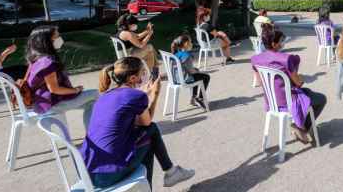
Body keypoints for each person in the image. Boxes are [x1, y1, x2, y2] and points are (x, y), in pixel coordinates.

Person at [84, 57, 194, 189]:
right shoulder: (136, 96)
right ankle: (168, 174)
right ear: (132, 78)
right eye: (142, 72)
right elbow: (146, 123)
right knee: (150, 133)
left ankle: (169, 174)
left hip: (89, 174)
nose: (144, 75)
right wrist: (155, 94)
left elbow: (126, 115)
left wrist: (144, 94)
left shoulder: (104, 97)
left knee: (143, 138)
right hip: (108, 175)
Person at [251, 28, 327, 143]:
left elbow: (260, 82)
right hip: (289, 100)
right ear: (274, 44)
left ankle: (300, 126)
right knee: (321, 98)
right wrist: (297, 75)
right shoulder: (285, 59)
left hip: (271, 101)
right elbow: (299, 83)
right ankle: (302, 127)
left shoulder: (255, 59)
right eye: (281, 40)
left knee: (308, 92)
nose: (283, 43)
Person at [26, 26, 98, 127]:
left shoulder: (35, 59)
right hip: (51, 104)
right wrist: (75, 90)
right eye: (57, 36)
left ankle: (91, 134)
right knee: (95, 94)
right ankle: (93, 135)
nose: (60, 39)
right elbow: (54, 89)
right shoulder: (48, 62)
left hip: (41, 104)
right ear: (47, 41)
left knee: (91, 102)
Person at [170, 34, 210, 110]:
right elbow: (191, 72)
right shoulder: (187, 55)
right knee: (206, 77)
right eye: (190, 42)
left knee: (197, 76)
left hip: (175, 79)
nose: (191, 43)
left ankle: (193, 98)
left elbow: (183, 67)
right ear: (186, 44)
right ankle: (200, 98)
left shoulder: (176, 54)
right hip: (185, 79)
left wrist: (196, 71)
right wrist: (197, 71)